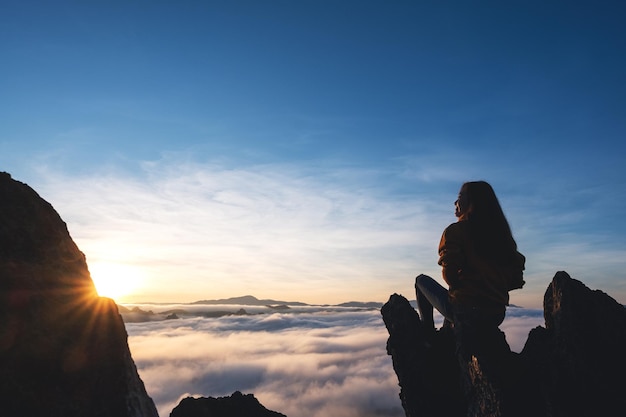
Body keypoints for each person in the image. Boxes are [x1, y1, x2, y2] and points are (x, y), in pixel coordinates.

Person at [415, 181, 525, 349]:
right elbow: (515, 280)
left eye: (460, 197)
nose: (455, 202)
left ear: (472, 202)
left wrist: (466, 288)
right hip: (496, 315)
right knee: (455, 297)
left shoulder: (456, 231)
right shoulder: (503, 238)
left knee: (421, 280)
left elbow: (449, 276)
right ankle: (449, 332)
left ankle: (428, 333)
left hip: (466, 313)